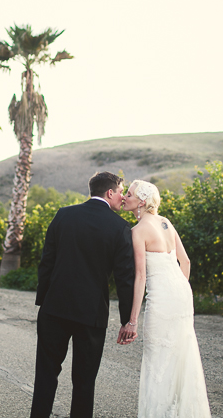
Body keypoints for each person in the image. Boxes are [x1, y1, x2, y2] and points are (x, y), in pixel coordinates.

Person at [30, 171, 136, 418]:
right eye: (121, 192)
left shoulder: (64, 215)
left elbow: (47, 262)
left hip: (54, 309)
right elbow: (124, 279)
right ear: (110, 193)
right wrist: (126, 320)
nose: (122, 197)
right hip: (91, 314)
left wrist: (43, 301)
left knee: (45, 374)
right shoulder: (120, 227)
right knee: (84, 381)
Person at [121, 179, 212, 418]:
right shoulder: (165, 223)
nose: (125, 198)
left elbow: (140, 277)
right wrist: (179, 289)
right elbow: (186, 262)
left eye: (129, 194)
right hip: (182, 294)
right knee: (182, 353)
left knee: (158, 359)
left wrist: (132, 320)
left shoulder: (137, 231)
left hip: (161, 299)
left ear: (141, 201)